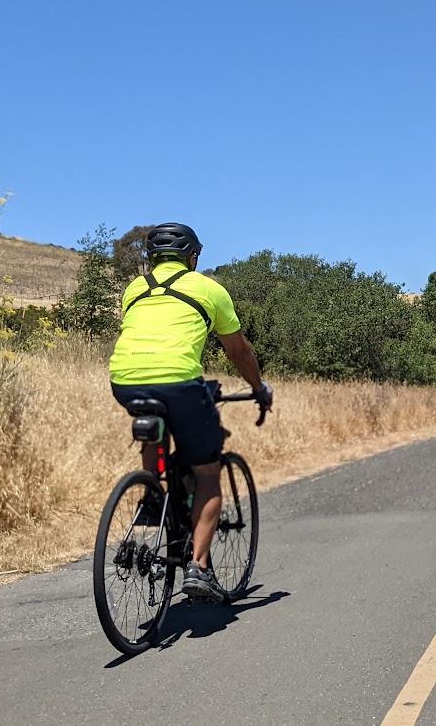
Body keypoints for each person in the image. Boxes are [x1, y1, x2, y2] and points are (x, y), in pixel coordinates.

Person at [109, 222, 271, 600]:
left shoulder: (135, 288)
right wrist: (258, 389)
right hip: (180, 382)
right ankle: (199, 567)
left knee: (157, 423)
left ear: (152, 258)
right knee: (207, 471)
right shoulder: (209, 289)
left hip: (124, 380)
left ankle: (152, 491)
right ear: (192, 257)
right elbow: (239, 352)